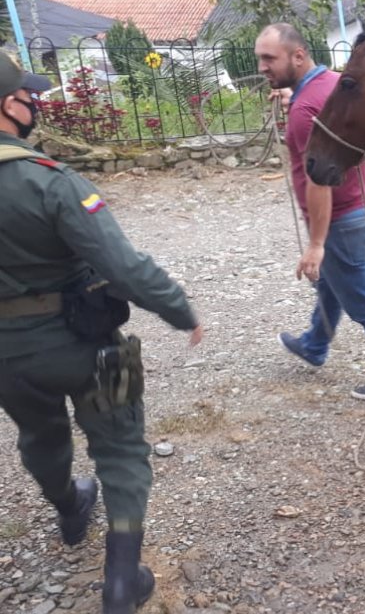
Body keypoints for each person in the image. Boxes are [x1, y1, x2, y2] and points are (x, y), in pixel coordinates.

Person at [0, 52, 204, 614]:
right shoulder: (51, 181)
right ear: (9, 105)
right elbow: (123, 266)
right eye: (28, 96)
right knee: (121, 447)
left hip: (7, 358)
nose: (34, 104)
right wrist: (180, 309)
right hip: (89, 346)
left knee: (38, 435)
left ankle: (69, 508)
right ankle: (120, 581)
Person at [255, 23, 365, 400]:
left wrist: (316, 243)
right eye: (260, 59)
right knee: (331, 283)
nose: (262, 67)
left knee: (363, 298)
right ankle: (314, 343)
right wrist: (292, 94)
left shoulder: (304, 111)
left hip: (340, 218)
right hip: (359, 208)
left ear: (298, 56)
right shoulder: (332, 83)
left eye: (269, 58)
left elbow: (319, 182)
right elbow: (316, 104)